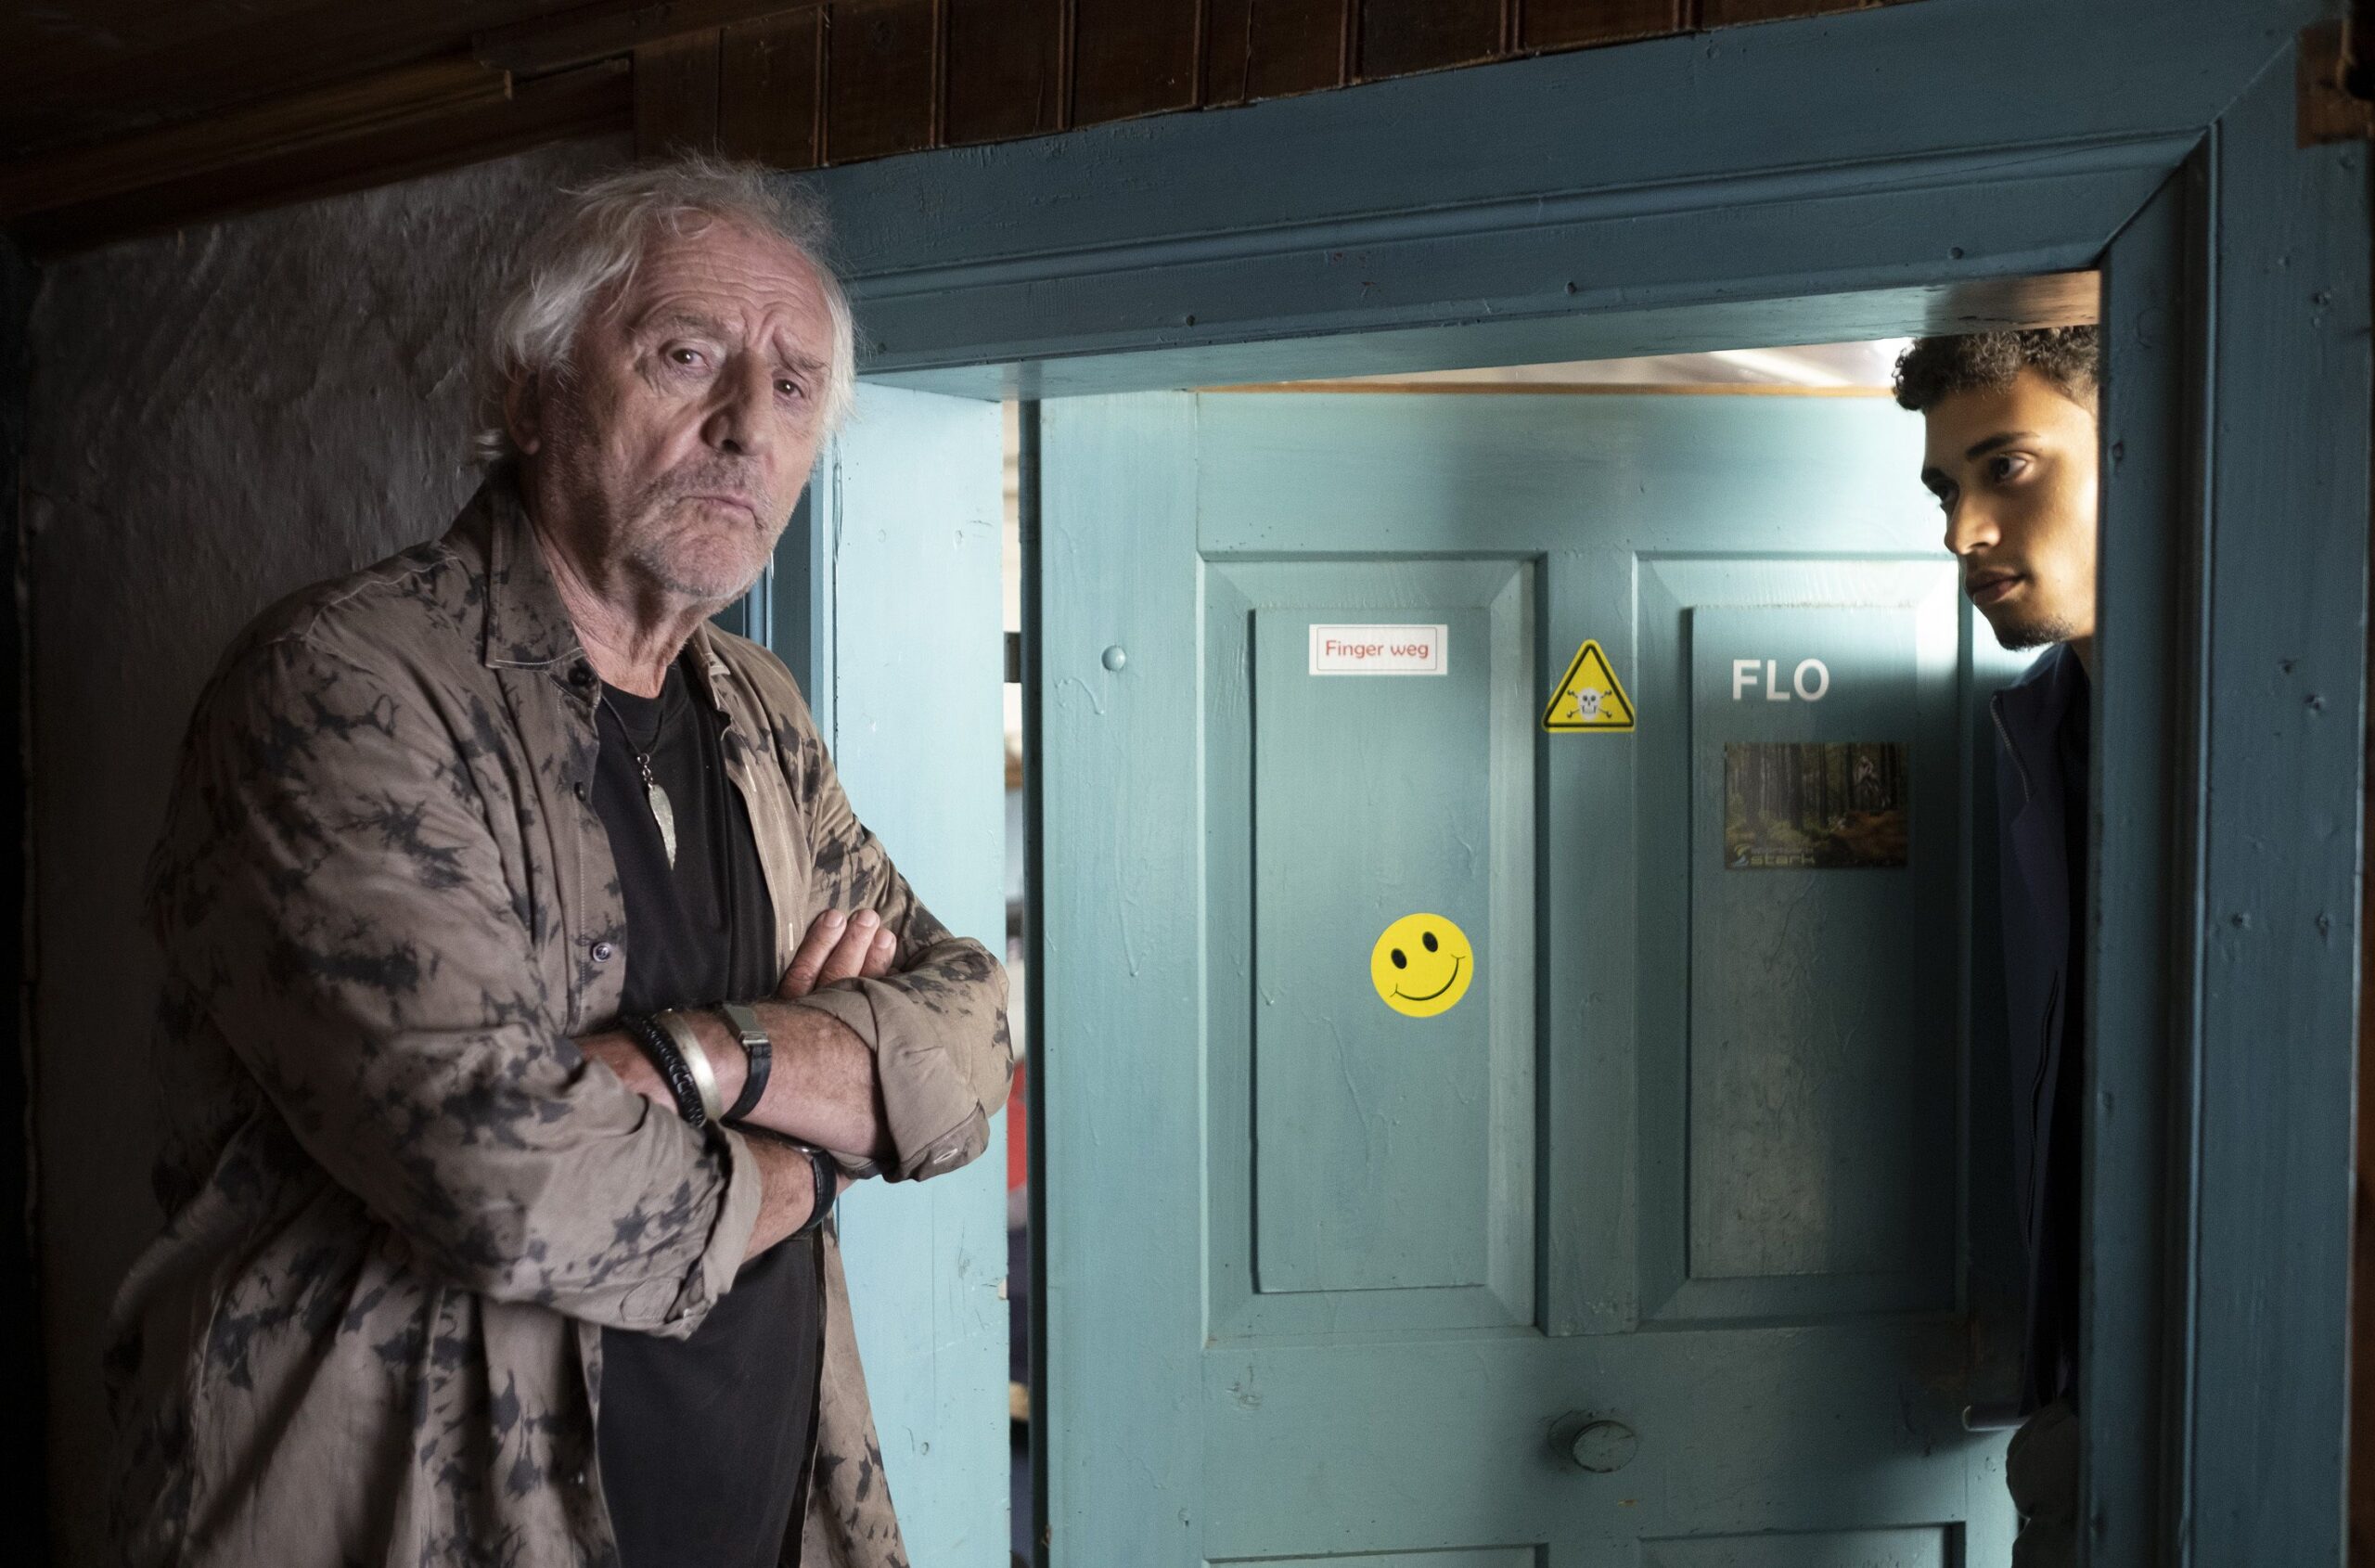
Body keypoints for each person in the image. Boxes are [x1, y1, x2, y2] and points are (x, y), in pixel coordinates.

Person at [107, 157, 1012, 1568]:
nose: (744, 425)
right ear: (534, 396)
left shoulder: (757, 710)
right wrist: (823, 1148)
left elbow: (971, 1041)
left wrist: (708, 1062)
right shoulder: (344, 686)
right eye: (687, 357)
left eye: (792, 388)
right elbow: (512, 1180)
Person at [1896, 325, 2102, 1568]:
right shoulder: (2039, 729)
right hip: (2082, 1416)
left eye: (2007, 467)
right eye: (1944, 490)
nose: (1962, 531)